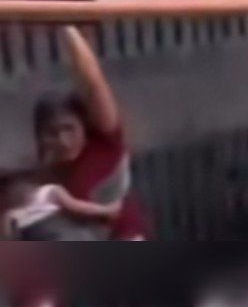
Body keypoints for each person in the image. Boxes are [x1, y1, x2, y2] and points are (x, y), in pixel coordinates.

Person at [33, 25, 148, 240]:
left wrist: (67, 28)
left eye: (69, 129)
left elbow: (93, 84)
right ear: (40, 137)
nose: (63, 141)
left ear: (84, 127)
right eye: (52, 133)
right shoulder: (47, 172)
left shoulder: (105, 145)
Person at [1, 171, 122, 240]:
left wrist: (105, 210)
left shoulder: (47, 192)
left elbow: (79, 206)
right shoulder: (10, 214)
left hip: (64, 232)